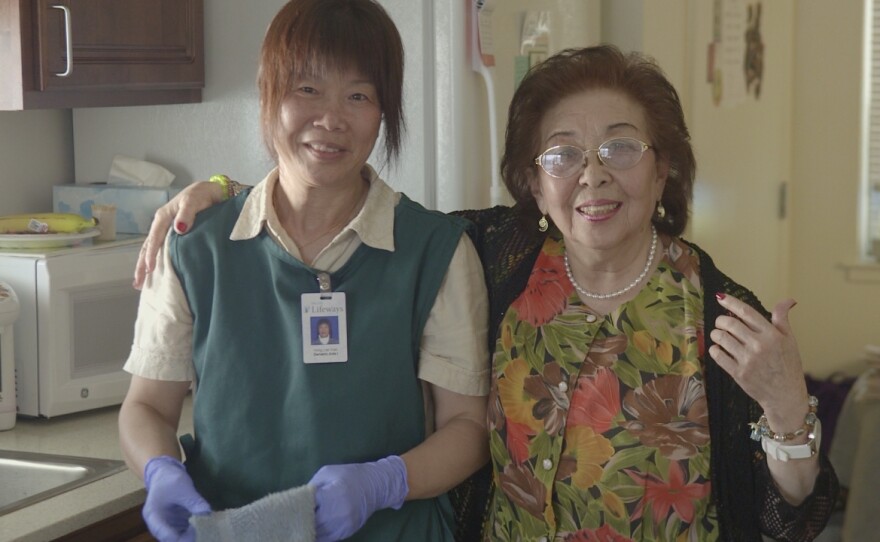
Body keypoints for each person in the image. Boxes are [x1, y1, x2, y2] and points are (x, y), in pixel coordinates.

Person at [135, 45, 839, 541]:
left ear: (664, 172)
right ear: (534, 182)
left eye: (621, 148)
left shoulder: (719, 312)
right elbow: (345, 211)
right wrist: (222, 195)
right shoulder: (494, 256)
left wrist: (786, 414)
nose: (592, 176)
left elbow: (793, 519)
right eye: (563, 154)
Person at [118, 1, 490, 541]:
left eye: (358, 95)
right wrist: (159, 469)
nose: (331, 119)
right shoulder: (193, 244)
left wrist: (384, 482)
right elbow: (147, 406)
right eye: (307, 90)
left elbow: (468, 428)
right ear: (269, 97)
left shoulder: (436, 251)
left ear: (384, 111)